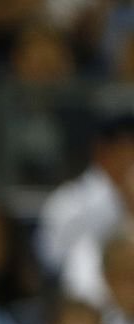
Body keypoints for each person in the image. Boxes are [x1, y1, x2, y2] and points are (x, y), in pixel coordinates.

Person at [40, 113, 134, 302]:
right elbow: (52, 265)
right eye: (128, 149)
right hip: (87, 308)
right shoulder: (68, 204)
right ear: (102, 151)